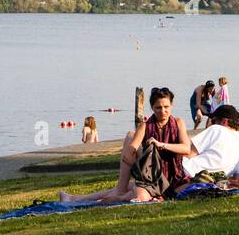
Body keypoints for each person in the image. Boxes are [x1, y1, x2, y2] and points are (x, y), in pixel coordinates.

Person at [58, 87, 190, 204]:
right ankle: (79, 199)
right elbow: (130, 152)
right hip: (152, 178)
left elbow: (186, 149)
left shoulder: (178, 123)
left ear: (171, 105)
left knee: (127, 191)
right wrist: (142, 153)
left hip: (174, 177)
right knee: (130, 137)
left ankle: (79, 199)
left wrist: (162, 145)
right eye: (158, 107)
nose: (163, 111)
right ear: (152, 108)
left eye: (166, 107)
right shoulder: (145, 126)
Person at [177, 105, 239, 186]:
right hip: (210, 182)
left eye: (213, 121)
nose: (211, 124)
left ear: (224, 122)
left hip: (186, 172)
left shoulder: (216, 129)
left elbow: (187, 153)